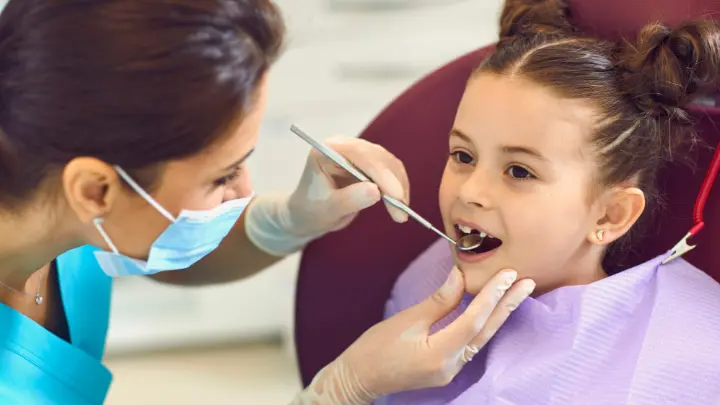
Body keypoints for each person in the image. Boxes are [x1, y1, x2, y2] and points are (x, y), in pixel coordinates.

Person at [0, 0, 536, 404]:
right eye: (223, 175)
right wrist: (343, 389)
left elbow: (142, 252)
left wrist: (285, 222)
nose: (245, 192)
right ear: (95, 190)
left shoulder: (41, 179)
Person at [378, 0, 720, 404]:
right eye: (463, 156)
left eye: (519, 172)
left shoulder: (678, 359)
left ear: (611, 215)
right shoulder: (427, 281)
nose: (469, 192)